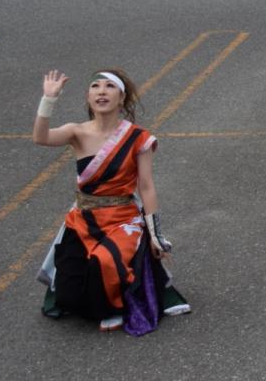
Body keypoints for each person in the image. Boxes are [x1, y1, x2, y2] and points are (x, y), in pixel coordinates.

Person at [32, 69, 189, 334]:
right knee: (68, 295)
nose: (101, 91)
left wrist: (154, 235)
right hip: (82, 219)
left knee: (105, 261)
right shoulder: (76, 132)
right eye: (95, 86)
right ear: (88, 96)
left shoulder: (138, 138)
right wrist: (48, 99)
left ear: (121, 98)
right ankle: (99, 300)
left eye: (109, 87)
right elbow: (41, 138)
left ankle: (114, 308)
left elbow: (146, 187)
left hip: (122, 218)